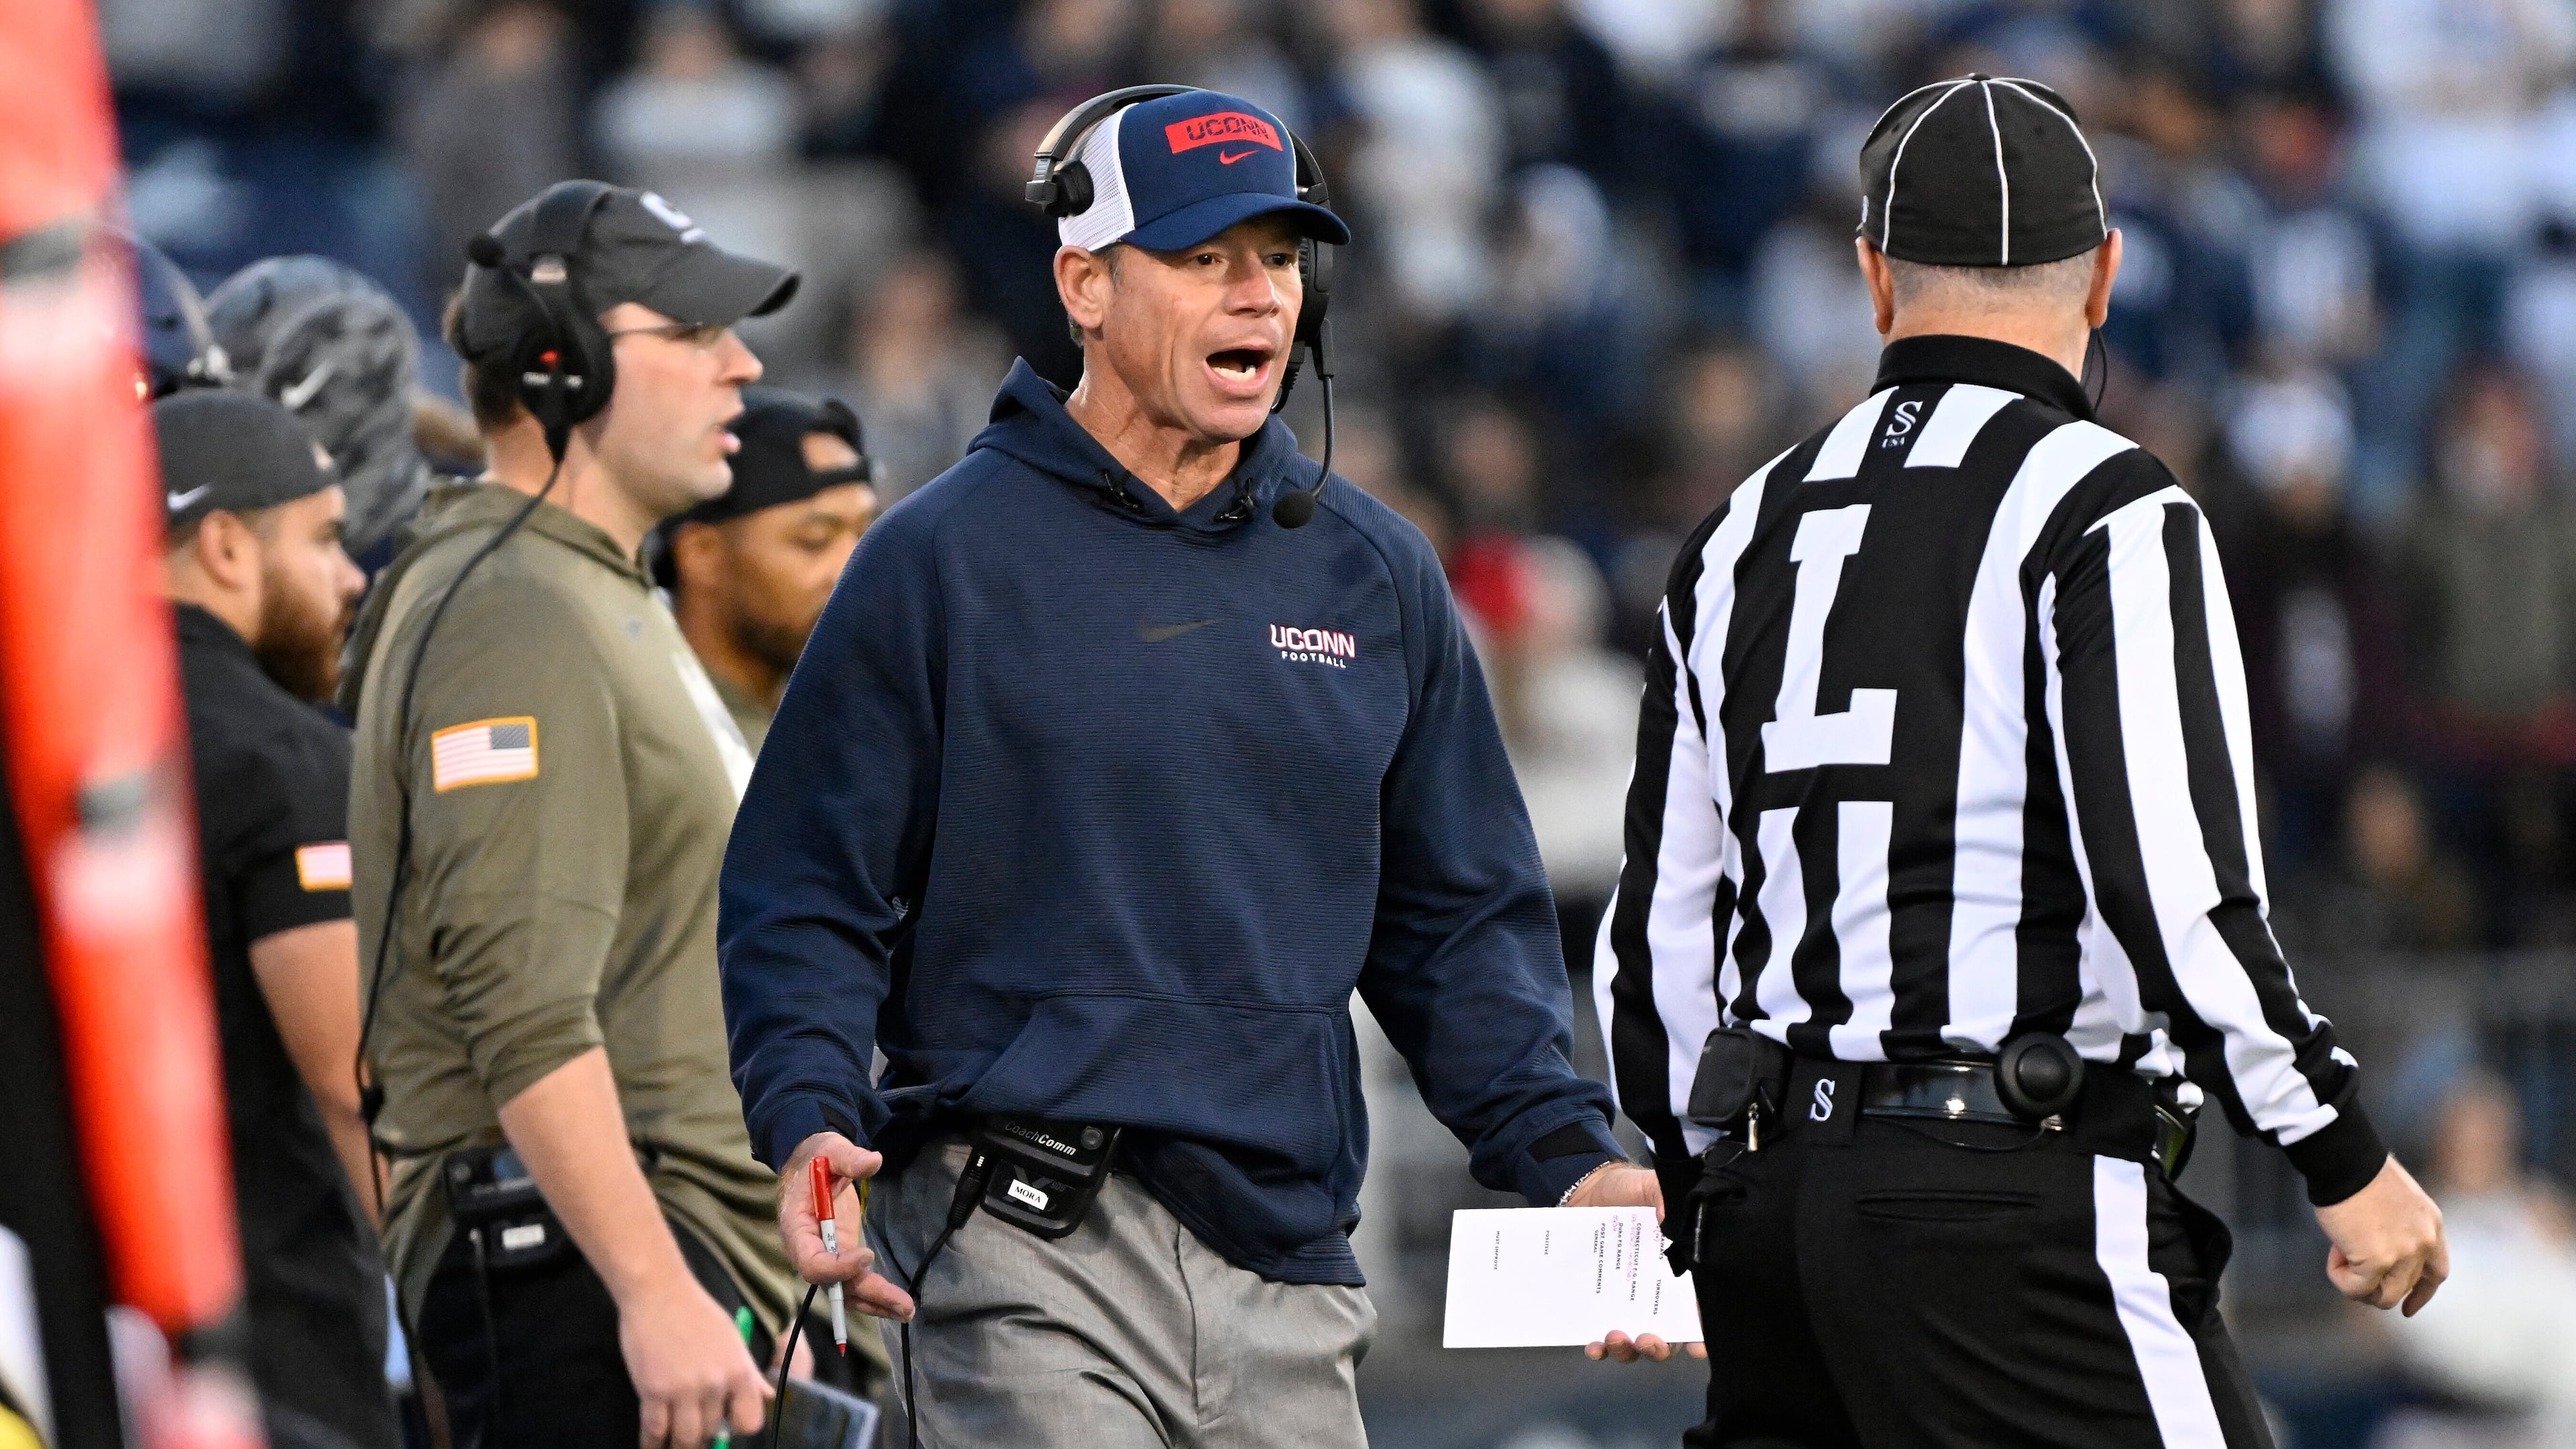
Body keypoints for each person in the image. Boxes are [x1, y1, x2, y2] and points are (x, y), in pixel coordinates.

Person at [719, 88, 1664, 1447]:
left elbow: (1455, 924)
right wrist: (810, 1117)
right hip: (1016, 1251)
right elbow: (807, 890)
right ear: (1085, 287)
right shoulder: (937, 562)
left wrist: (1570, 1157)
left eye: (1279, 258)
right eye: (1204, 256)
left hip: (1293, 1270)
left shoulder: (1376, 573)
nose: (1258, 294)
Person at [1593, 76, 2449, 1446]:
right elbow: (2174, 890)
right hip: (2008, 1192)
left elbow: (1655, 933)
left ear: (1876, 277)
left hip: (1774, 1205)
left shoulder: (1736, 533)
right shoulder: (2110, 504)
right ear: (2104, 274)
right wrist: (2340, 1151)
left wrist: (1696, 1194)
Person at [343, 181, 800, 1449]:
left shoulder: (589, 590)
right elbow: (522, 1003)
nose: (744, 365)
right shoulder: (513, 610)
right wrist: (653, 1289)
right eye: (694, 333)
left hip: (664, 1256)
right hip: (591, 1277)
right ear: (565, 364)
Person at [160, 390, 395, 1449]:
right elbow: (357, 1085)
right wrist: (465, 1317)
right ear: (224, 546)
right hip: (276, 1339)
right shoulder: (282, 756)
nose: (352, 577)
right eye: (325, 538)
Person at [654, 386, 877, 754]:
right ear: (702, 554)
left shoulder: (848, 724)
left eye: (867, 536)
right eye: (815, 540)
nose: (857, 572)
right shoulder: (651, 729)